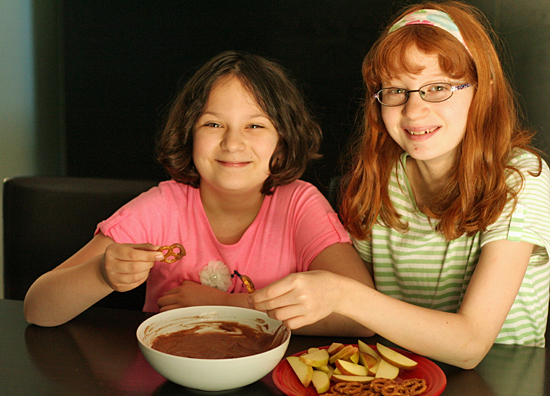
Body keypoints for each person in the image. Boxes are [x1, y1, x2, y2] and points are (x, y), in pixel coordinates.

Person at [249, 1, 550, 369]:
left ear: (483, 89)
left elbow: (470, 344)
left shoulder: (519, 178)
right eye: (395, 91)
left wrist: (343, 294)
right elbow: (356, 319)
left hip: (498, 380)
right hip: (400, 378)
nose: (413, 110)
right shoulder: (374, 182)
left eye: (438, 87)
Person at [24, 51, 373, 334]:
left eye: (255, 125)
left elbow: (361, 316)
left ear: (283, 142)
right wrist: (100, 274)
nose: (233, 143)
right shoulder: (163, 206)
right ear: (189, 134)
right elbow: (38, 309)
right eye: (213, 124)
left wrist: (230, 307)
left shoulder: (300, 204)